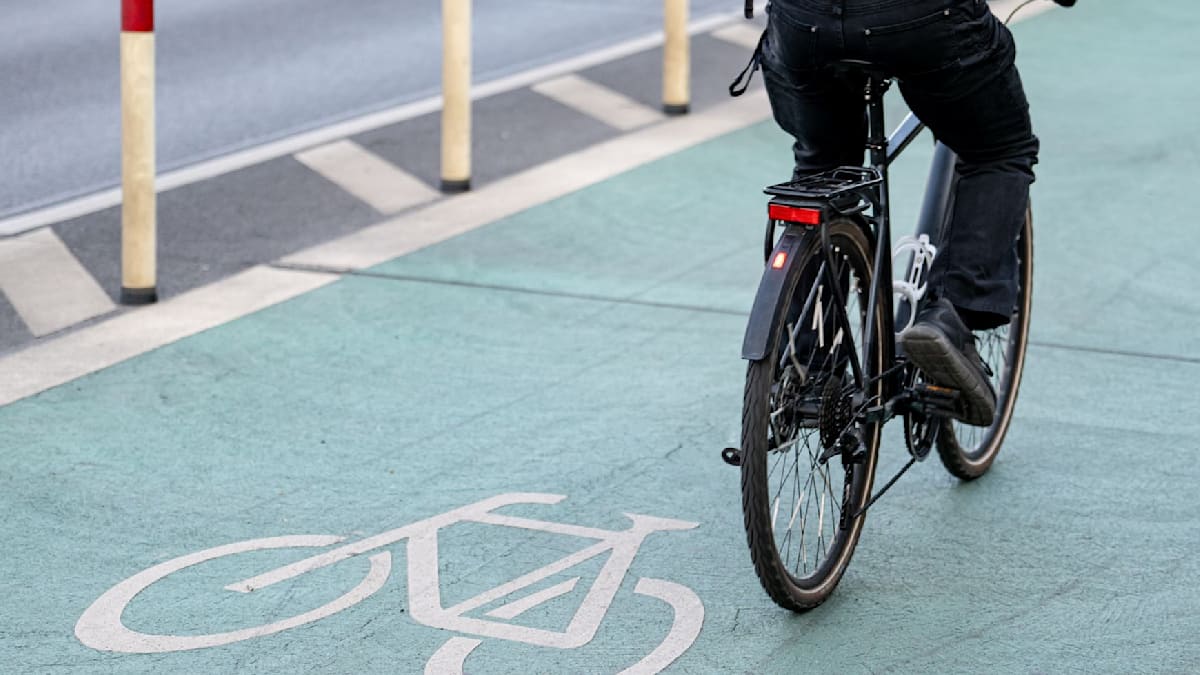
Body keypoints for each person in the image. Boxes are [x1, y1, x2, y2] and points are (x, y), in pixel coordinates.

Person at [748, 0, 1072, 426]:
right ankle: (952, 317)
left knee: (823, 170)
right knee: (998, 149)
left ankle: (807, 362)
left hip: (802, 25)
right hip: (921, 21)